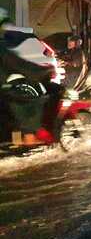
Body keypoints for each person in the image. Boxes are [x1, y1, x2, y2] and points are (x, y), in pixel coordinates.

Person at [0, 9, 63, 145]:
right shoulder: (1, 47)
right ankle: (29, 139)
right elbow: (20, 65)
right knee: (32, 102)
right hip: (4, 90)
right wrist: (44, 71)